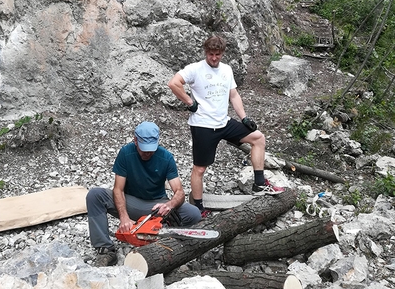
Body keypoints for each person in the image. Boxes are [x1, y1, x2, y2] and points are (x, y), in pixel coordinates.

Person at [168, 35, 284, 217]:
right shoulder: (195, 69)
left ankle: (259, 184)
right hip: (203, 125)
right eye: (211, 54)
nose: (214, 58)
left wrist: (244, 118)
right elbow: (174, 83)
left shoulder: (226, 70)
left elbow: (234, 95)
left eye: (217, 54)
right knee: (199, 168)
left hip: (224, 122)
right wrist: (190, 102)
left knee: (258, 138)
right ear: (206, 52)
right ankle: (198, 207)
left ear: (222, 53)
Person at [86, 121, 202, 265]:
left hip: (155, 207)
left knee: (194, 213)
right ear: (135, 140)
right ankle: (105, 249)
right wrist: (124, 218)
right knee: (95, 195)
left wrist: (169, 205)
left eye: (151, 149)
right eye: (144, 149)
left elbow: (179, 191)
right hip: (130, 202)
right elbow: (118, 189)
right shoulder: (125, 153)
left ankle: (162, 233)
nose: (147, 153)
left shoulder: (166, 158)